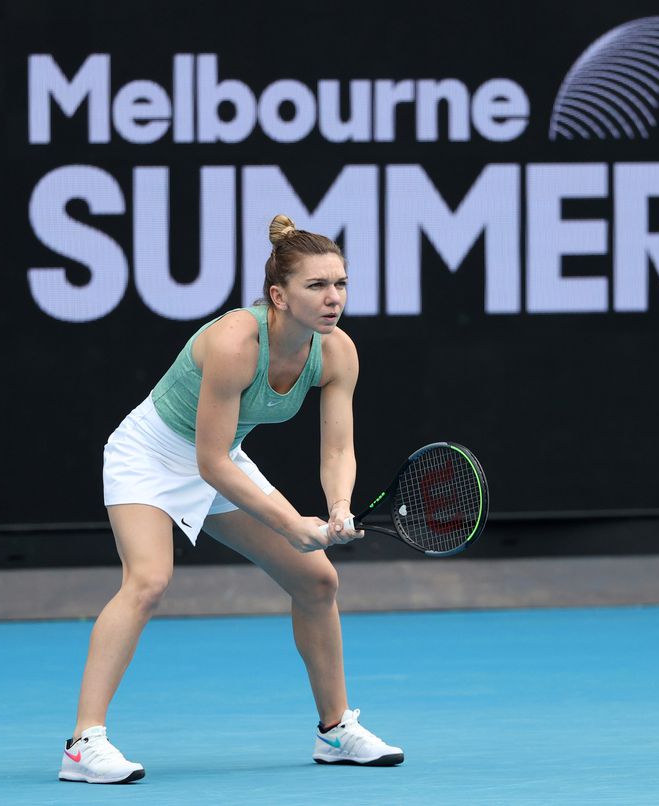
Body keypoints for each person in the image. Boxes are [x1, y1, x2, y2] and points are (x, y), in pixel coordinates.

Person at [58, 214, 404, 784]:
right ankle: (82, 744)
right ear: (279, 295)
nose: (333, 297)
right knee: (148, 581)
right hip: (151, 455)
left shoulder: (337, 352)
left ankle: (336, 730)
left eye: (340, 283)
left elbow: (338, 450)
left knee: (317, 581)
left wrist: (339, 507)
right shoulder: (235, 342)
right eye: (316, 286)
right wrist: (295, 522)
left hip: (220, 456)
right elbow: (209, 462)